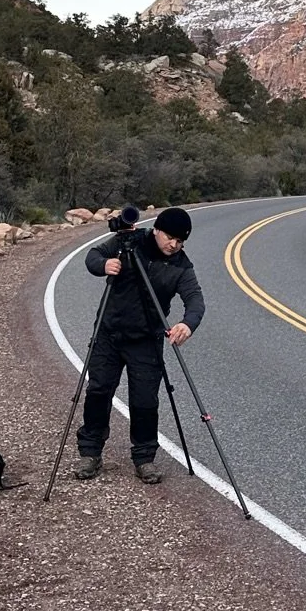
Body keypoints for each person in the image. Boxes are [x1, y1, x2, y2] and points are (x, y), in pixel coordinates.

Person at [74, 206, 204, 485]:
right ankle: (90, 453)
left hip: (147, 340)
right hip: (109, 334)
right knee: (98, 391)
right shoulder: (129, 241)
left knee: (145, 401)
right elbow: (92, 256)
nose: (174, 244)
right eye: (170, 237)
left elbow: (195, 299)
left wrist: (187, 324)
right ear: (157, 229)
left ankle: (144, 459)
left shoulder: (181, 264)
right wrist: (104, 266)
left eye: (180, 241)